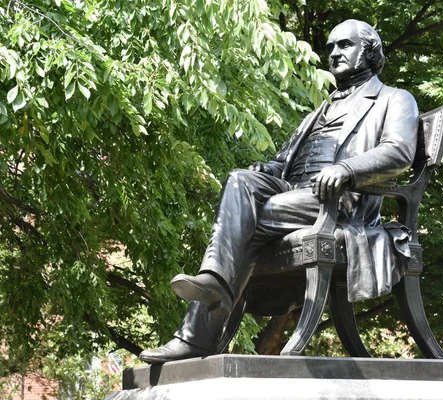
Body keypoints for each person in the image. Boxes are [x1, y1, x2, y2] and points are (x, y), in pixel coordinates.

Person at [139, 19, 419, 363]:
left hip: (340, 200)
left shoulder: (394, 99)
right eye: (329, 47)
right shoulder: (322, 108)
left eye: (344, 45)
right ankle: (213, 280)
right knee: (240, 179)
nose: (333, 53)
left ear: (370, 51)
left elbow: (399, 151)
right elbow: (283, 161)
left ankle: (196, 336)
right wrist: (264, 170)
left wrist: (346, 169)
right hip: (294, 193)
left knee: (244, 224)